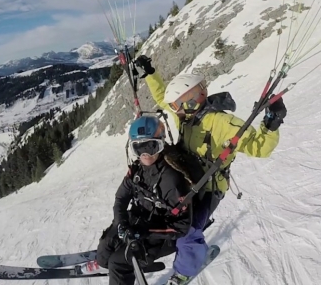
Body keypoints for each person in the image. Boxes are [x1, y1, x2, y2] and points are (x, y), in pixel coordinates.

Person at [134, 55, 287, 284]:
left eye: (178, 105)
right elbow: (162, 98)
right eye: (175, 106)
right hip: (186, 177)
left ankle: (185, 269)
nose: (175, 110)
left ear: (191, 101)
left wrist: (272, 123)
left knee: (188, 231)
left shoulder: (223, 123)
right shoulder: (186, 118)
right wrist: (150, 73)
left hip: (209, 187)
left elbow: (260, 147)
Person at [83, 115, 208, 285]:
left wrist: (144, 232)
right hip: (137, 222)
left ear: (161, 145)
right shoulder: (136, 171)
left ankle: (123, 269)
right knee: (104, 251)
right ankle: (111, 262)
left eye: (151, 146)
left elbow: (181, 227)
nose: (146, 154)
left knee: (118, 263)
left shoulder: (172, 180)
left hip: (160, 235)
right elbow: (121, 197)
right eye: (139, 148)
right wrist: (121, 224)